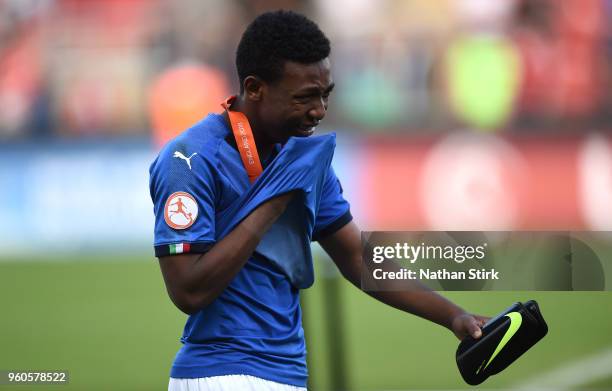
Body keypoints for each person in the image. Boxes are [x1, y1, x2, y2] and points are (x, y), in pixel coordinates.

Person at [149, 10, 488, 391]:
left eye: (325, 95)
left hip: (287, 372)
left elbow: (357, 258)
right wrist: (272, 203)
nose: (320, 111)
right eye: (305, 97)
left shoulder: (303, 156)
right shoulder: (189, 159)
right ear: (255, 87)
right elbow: (188, 291)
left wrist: (455, 317)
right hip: (221, 373)